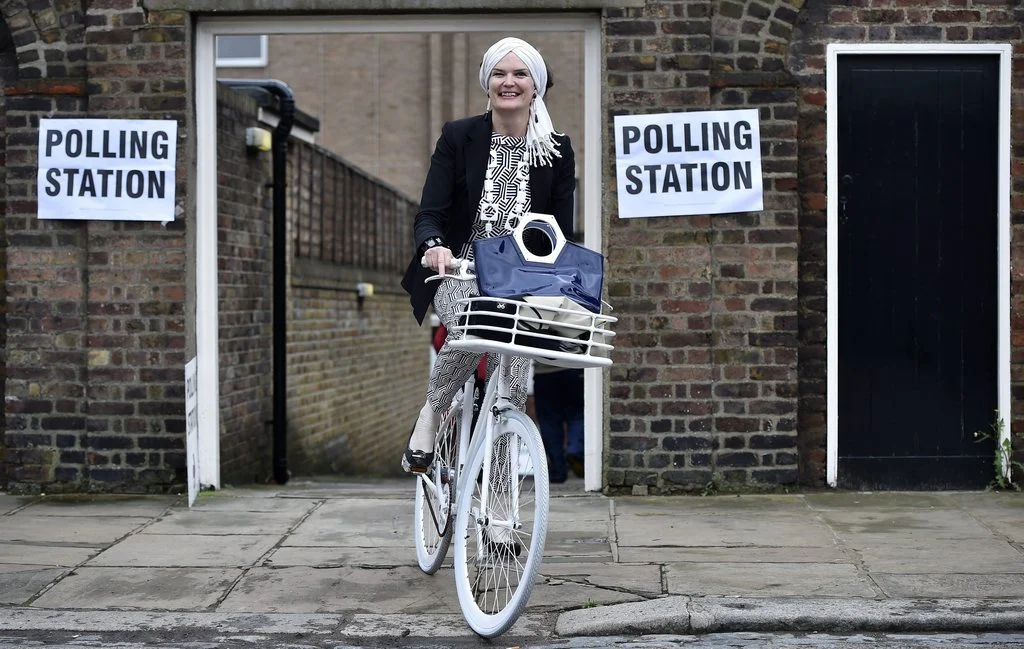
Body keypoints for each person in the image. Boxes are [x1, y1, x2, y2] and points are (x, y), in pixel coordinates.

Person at [399, 36, 577, 473]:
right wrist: (433, 246)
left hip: (520, 278)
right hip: (457, 269)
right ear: (488, 83)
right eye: (500, 73)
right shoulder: (460, 137)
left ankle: (499, 506)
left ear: (536, 86)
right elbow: (430, 213)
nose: (509, 82)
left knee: (514, 384)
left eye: (520, 74)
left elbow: (559, 231)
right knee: (474, 326)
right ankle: (432, 412)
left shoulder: (556, 150)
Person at [532, 365, 585, 483]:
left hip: (544, 371)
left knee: (549, 422)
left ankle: (557, 470)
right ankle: (575, 450)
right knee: (577, 415)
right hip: (573, 366)